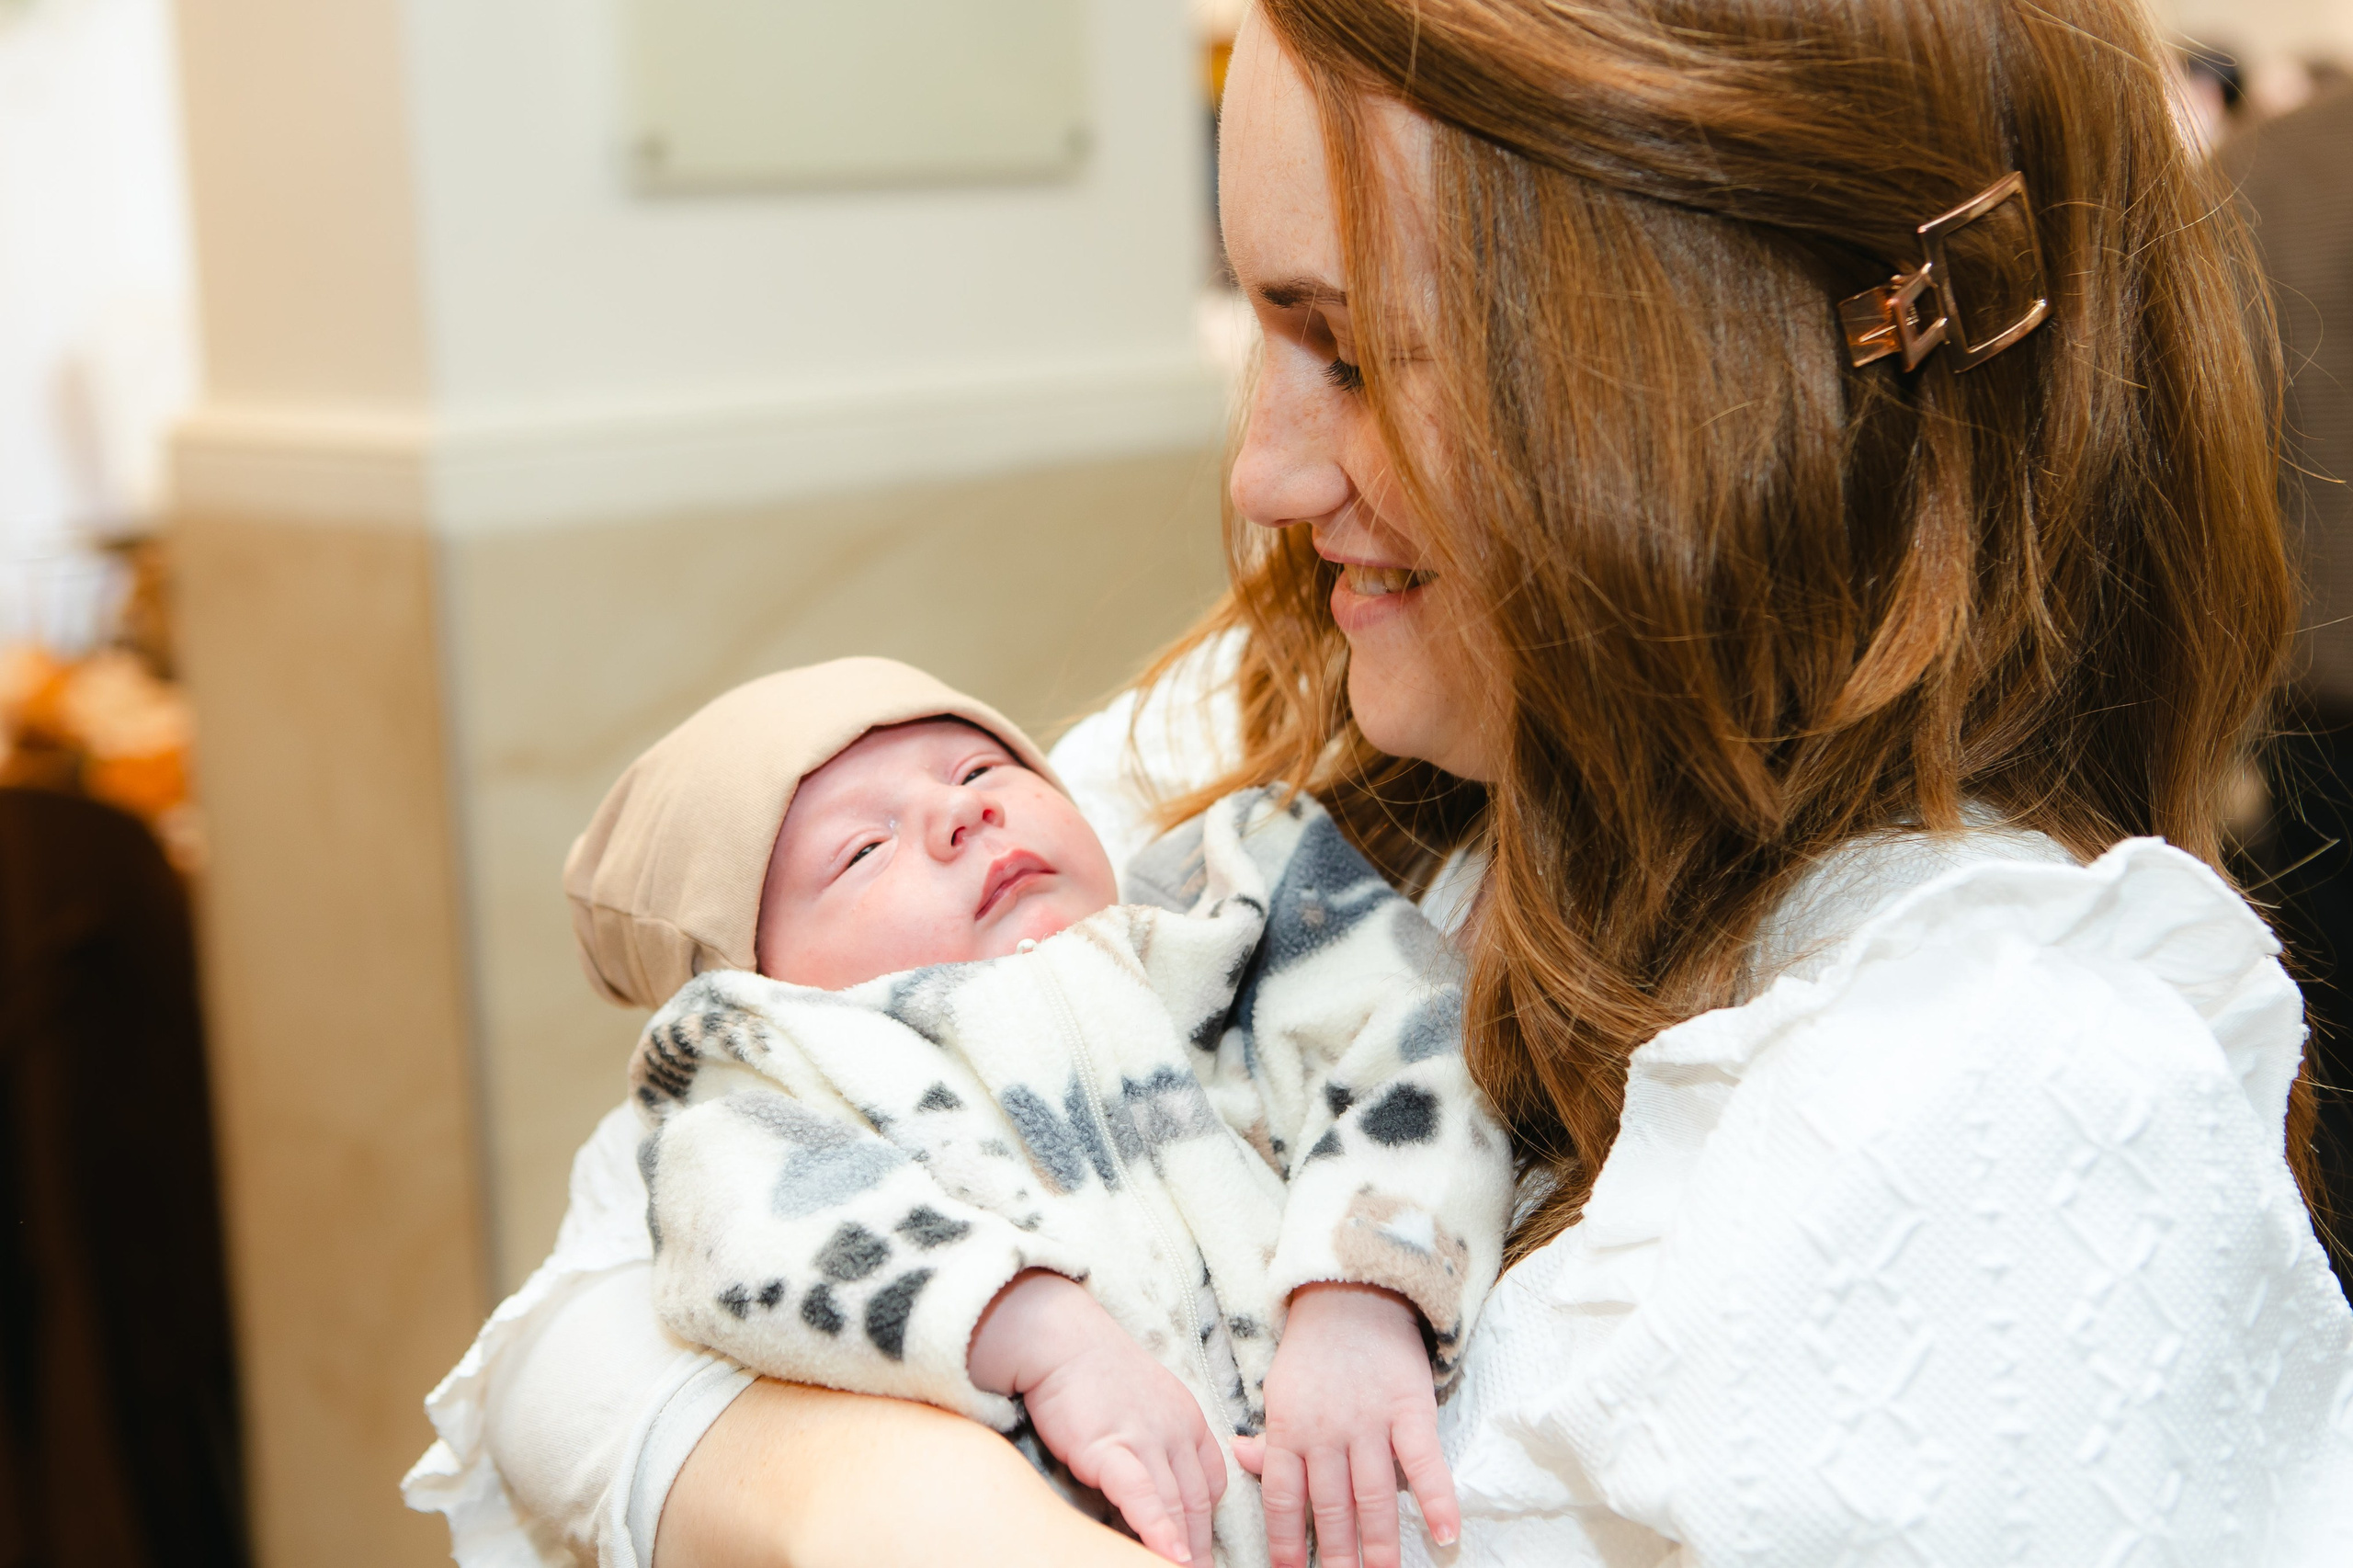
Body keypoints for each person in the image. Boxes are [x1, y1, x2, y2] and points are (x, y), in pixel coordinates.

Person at [405, 0, 2353, 1563]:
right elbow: (593, 1292)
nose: (1257, 471)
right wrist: (882, 1502)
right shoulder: (1258, 744)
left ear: (1708, 388)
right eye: (1262, 323)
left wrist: (798, 1470)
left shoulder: (2001, 1095)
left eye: (1346, 351)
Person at [551, 657, 1506, 1566]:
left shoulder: (1231, 909)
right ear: (761, 991)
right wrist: (1033, 1329)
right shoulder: (790, 1086)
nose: (962, 812)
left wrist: (1362, 1291)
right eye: (864, 849)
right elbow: (746, 1229)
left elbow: (1420, 1040)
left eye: (979, 768)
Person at [2223, 85, 2353, 1299]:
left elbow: (2223, 461)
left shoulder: (2254, 177)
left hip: (2319, 705)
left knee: (2336, 1047)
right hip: (2319, 715)